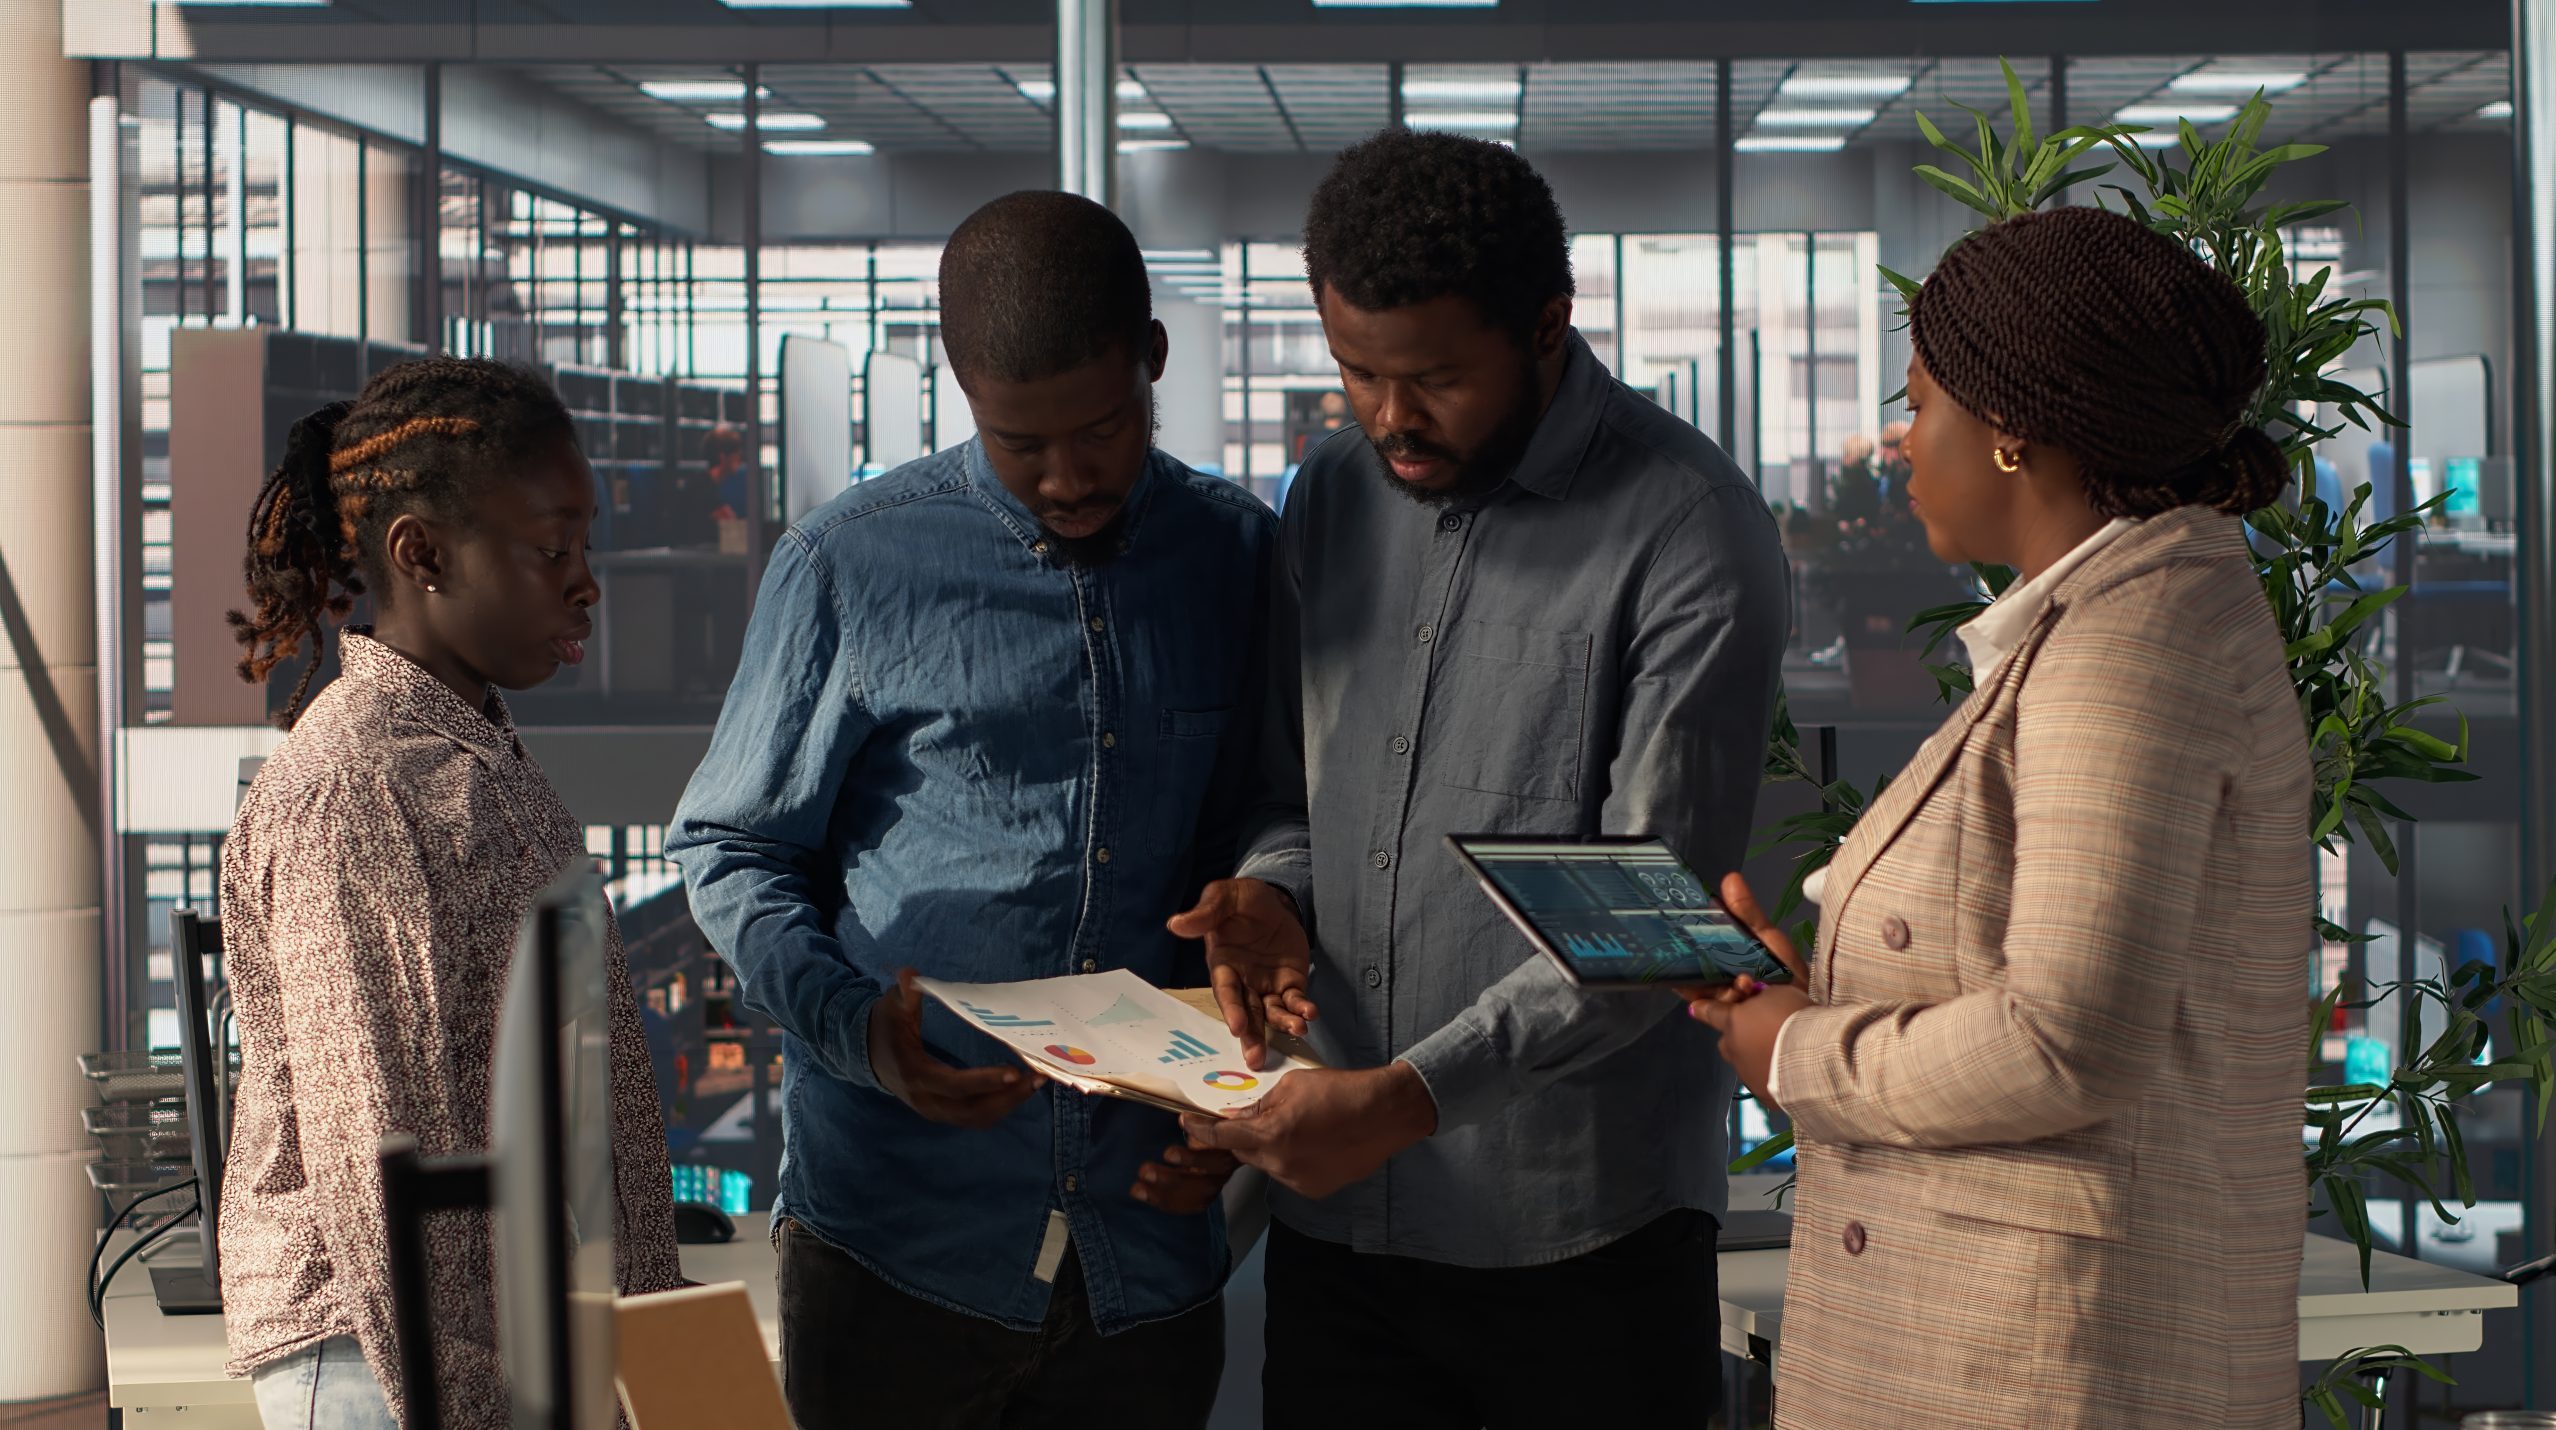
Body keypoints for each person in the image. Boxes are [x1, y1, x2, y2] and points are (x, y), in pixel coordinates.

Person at [1171, 130, 1789, 1428]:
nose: (1390, 416)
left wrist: (1405, 1101)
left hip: (1581, 1237)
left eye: (1437, 377)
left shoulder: (1689, 525)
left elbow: (1650, 910)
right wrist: (1275, 891)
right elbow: (1296, 786)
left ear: (1549, 325)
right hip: (1344, 1237)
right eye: (1356, 372)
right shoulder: (1333, 491)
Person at [1688, 206, 2313, 1428]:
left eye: (1919, 402)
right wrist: (1817, 994)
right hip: (2008, 1345)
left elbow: (2067, 1039)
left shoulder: (2128, 647)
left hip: (2037, 1366)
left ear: (2015, 431)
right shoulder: (2105, 619)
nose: (1901, 440)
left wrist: (1800, 1053)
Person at [666, 191, 1274, 1430]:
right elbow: (731, 849)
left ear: (1153, 362)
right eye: (1018, 441)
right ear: (961, 388)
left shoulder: (1239, 555)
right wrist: (858, 1030)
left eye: (1101, 429)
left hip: (1147, 1248)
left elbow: (1275, 821)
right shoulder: (849, 563)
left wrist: (1263, 936)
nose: (1066, 474)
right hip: (896, 1245)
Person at [216, 358, 683, 1430]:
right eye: (550, 549)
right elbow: (383, 1154)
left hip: (489, 1335)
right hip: (389, 1363)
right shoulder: (357, 786)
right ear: (420, 552)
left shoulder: (471, 756)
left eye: (586, 547)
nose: (586, 581)